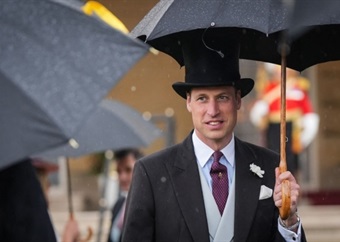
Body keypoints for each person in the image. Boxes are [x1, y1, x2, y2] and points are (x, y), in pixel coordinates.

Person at [122, 33, 307, 242]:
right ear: (188, 102)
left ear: (238, 100)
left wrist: (289, 221)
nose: (213, 110)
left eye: (222, 97)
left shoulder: (271, 166)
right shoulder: (152, 174)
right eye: (202, 99)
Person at [250, 63, 319, 178]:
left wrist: (305, 134)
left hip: (292, 129)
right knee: (273, 159)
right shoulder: (269, 87)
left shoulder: (298, 87)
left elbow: (308, 112)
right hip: (273, 128)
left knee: (292, 162)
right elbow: (260, 110)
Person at [107, 148, 143, 242]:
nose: (122, 177)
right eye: (119, 171)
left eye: (128, 170)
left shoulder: (149, 207)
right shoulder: (118, 205)